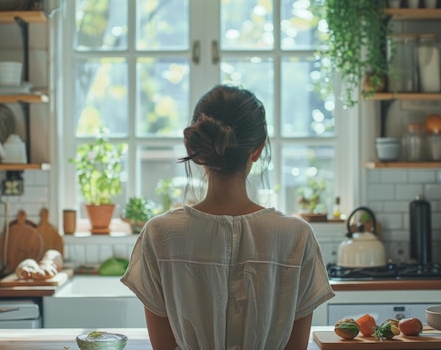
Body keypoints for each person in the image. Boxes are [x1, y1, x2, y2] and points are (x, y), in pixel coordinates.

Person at [121, 84, 335, 350]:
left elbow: (164, 347)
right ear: (257, 150)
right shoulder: (297, 236)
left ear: (198, 151)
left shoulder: (159, 234)